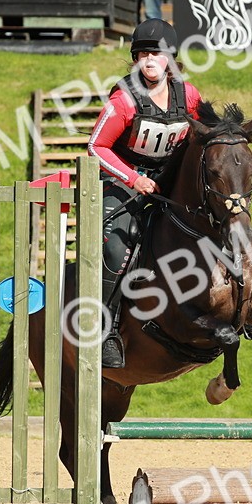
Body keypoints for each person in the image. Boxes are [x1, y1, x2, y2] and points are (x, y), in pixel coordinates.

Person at [87, 19, 203, 368]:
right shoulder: (124, 100)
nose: (149, 60)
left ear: (170, 59)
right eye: (142, 54)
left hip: (166, 180)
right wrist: (132, 177)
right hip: (122, 179)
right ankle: (105, 330)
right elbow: (96, 146)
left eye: (156, 53)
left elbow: (198, 134)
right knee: (118, 245)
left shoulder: (190, 95)